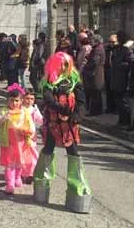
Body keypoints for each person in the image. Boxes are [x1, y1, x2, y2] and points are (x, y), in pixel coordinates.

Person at [33, 52, 92, 213]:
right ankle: (41, 184)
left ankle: (77, 189)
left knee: (73, 152)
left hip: (69, 124)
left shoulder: (74, 81)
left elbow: (81, 102)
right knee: (48, 149)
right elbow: (48, 100)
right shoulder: (49, 81)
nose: (64, 67)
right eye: (61, 64)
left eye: (66, 64)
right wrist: (62, 109)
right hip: (53, 122)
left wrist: (76, 116)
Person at [0, 84, 36, 194]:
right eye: (11, 100)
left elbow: (30, 124)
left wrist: (30, 133)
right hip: (8, 142)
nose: (14, 103)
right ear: (8, 101)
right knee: (9, 164)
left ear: (21, 101)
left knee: (19, 162)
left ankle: (17, 177)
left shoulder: (24, 112)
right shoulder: (5, 111)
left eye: (17, 100)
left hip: (21, 142)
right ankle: (10, 183)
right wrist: (3, 118)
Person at [111, 31, 134, 128]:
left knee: (124, 102)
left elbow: (130, 63)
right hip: (116, 77)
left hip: (123, 79)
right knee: (118, 101)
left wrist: (120, 65)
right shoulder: (117, 49)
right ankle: (121, 121)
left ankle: (127, 122)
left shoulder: (127, 50)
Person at [22, 88, 44, 184]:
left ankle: (31, 173)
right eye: (27, 98)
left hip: (31, 136)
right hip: (20, 135)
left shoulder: (34, 109)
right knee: (22, 155)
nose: (29, 101)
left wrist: (46, 122)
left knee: (33, 154)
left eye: (32, 99)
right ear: (22, 98)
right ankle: (23, 173)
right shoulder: (20, 108)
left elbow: (40, 119)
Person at [83, 34, 106, 116]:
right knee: (96, 93)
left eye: (92, 40)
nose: (90, 42)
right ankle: (98, 111)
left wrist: (86, 67)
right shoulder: (98, 48)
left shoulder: (97, 49)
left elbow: (94, 61)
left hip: (95, 73)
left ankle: (94, 111)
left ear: (96, 41)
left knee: (95, 93)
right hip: (97, 73)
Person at [104, 34, 118, 114]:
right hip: (108, 70)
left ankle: (115, 108)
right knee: (108, 90)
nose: (111, 43)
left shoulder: (118, 49)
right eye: (110, 42)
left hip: (115, 72)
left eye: (113, 42)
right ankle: (109, 107)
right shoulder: (107, 49)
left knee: (115, 91)